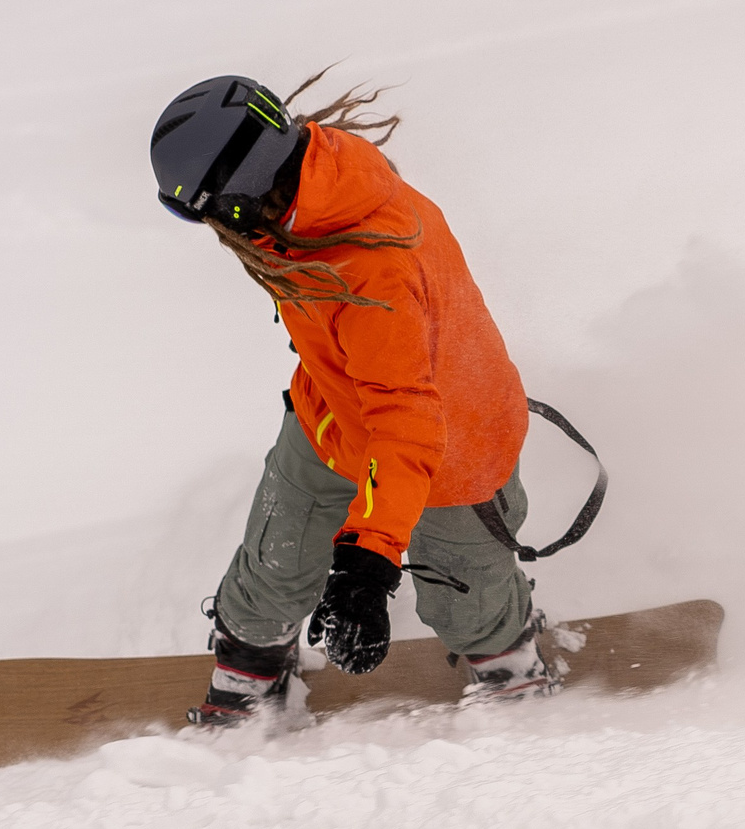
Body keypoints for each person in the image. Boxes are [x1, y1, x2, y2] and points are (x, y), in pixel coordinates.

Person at [148, 73, 554, 723]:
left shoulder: (371, 269)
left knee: (462, 597)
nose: (211, 229)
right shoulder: (305, 188)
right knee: (277, 554)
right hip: (337, 412)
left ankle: (507, 656)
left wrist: (367, 567)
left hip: (450, 444)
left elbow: (409, 426)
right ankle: (253, 665)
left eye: (204, 210)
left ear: (238, 189)